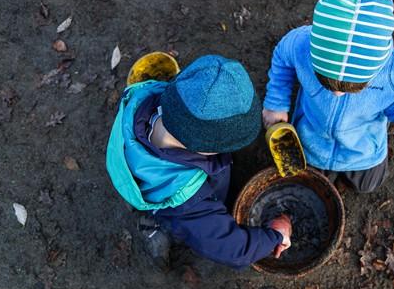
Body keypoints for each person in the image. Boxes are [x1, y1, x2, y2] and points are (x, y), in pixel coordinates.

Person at [106, 55, 292, 270]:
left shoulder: (149, 100)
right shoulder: (188, 200)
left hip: (136, 165)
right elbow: (234, 249)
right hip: (173, 205)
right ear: (206, 148)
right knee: (171, 220)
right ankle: (155, 227)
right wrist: (276, 234)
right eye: (227, 146)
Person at [262, 0, 394, 193]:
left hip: (360, 150)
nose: (337, 92)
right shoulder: (301, 44)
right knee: (306, 182)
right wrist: (275, 103)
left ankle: (349, 172)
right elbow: (282, 58)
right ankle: (323, 167)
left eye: (353, 86)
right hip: (311, 141)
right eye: (325, 80)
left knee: (366, 185)